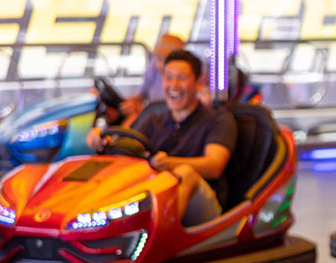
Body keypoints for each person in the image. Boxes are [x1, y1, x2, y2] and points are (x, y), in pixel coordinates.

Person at [87, 49, 236, 227]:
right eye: (168, 77)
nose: (173, 85)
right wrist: (103, 140)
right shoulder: (154, 119)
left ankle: (161, 237)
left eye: (181, 78)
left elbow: (214, 166)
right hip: (156, 196)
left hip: (204, 206)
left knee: (185, 173)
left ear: (198, 83)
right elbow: (128, 147)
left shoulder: (218, 120)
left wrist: (169, 163)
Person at [121, 34, 184, 120]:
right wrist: (128, 103)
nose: (158, 62)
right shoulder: (153, 67)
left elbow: (177, 110)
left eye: (163, 57)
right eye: (158, 56)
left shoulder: (182, 78)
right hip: (151, 115)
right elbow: (140, 94)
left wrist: (142, 110)